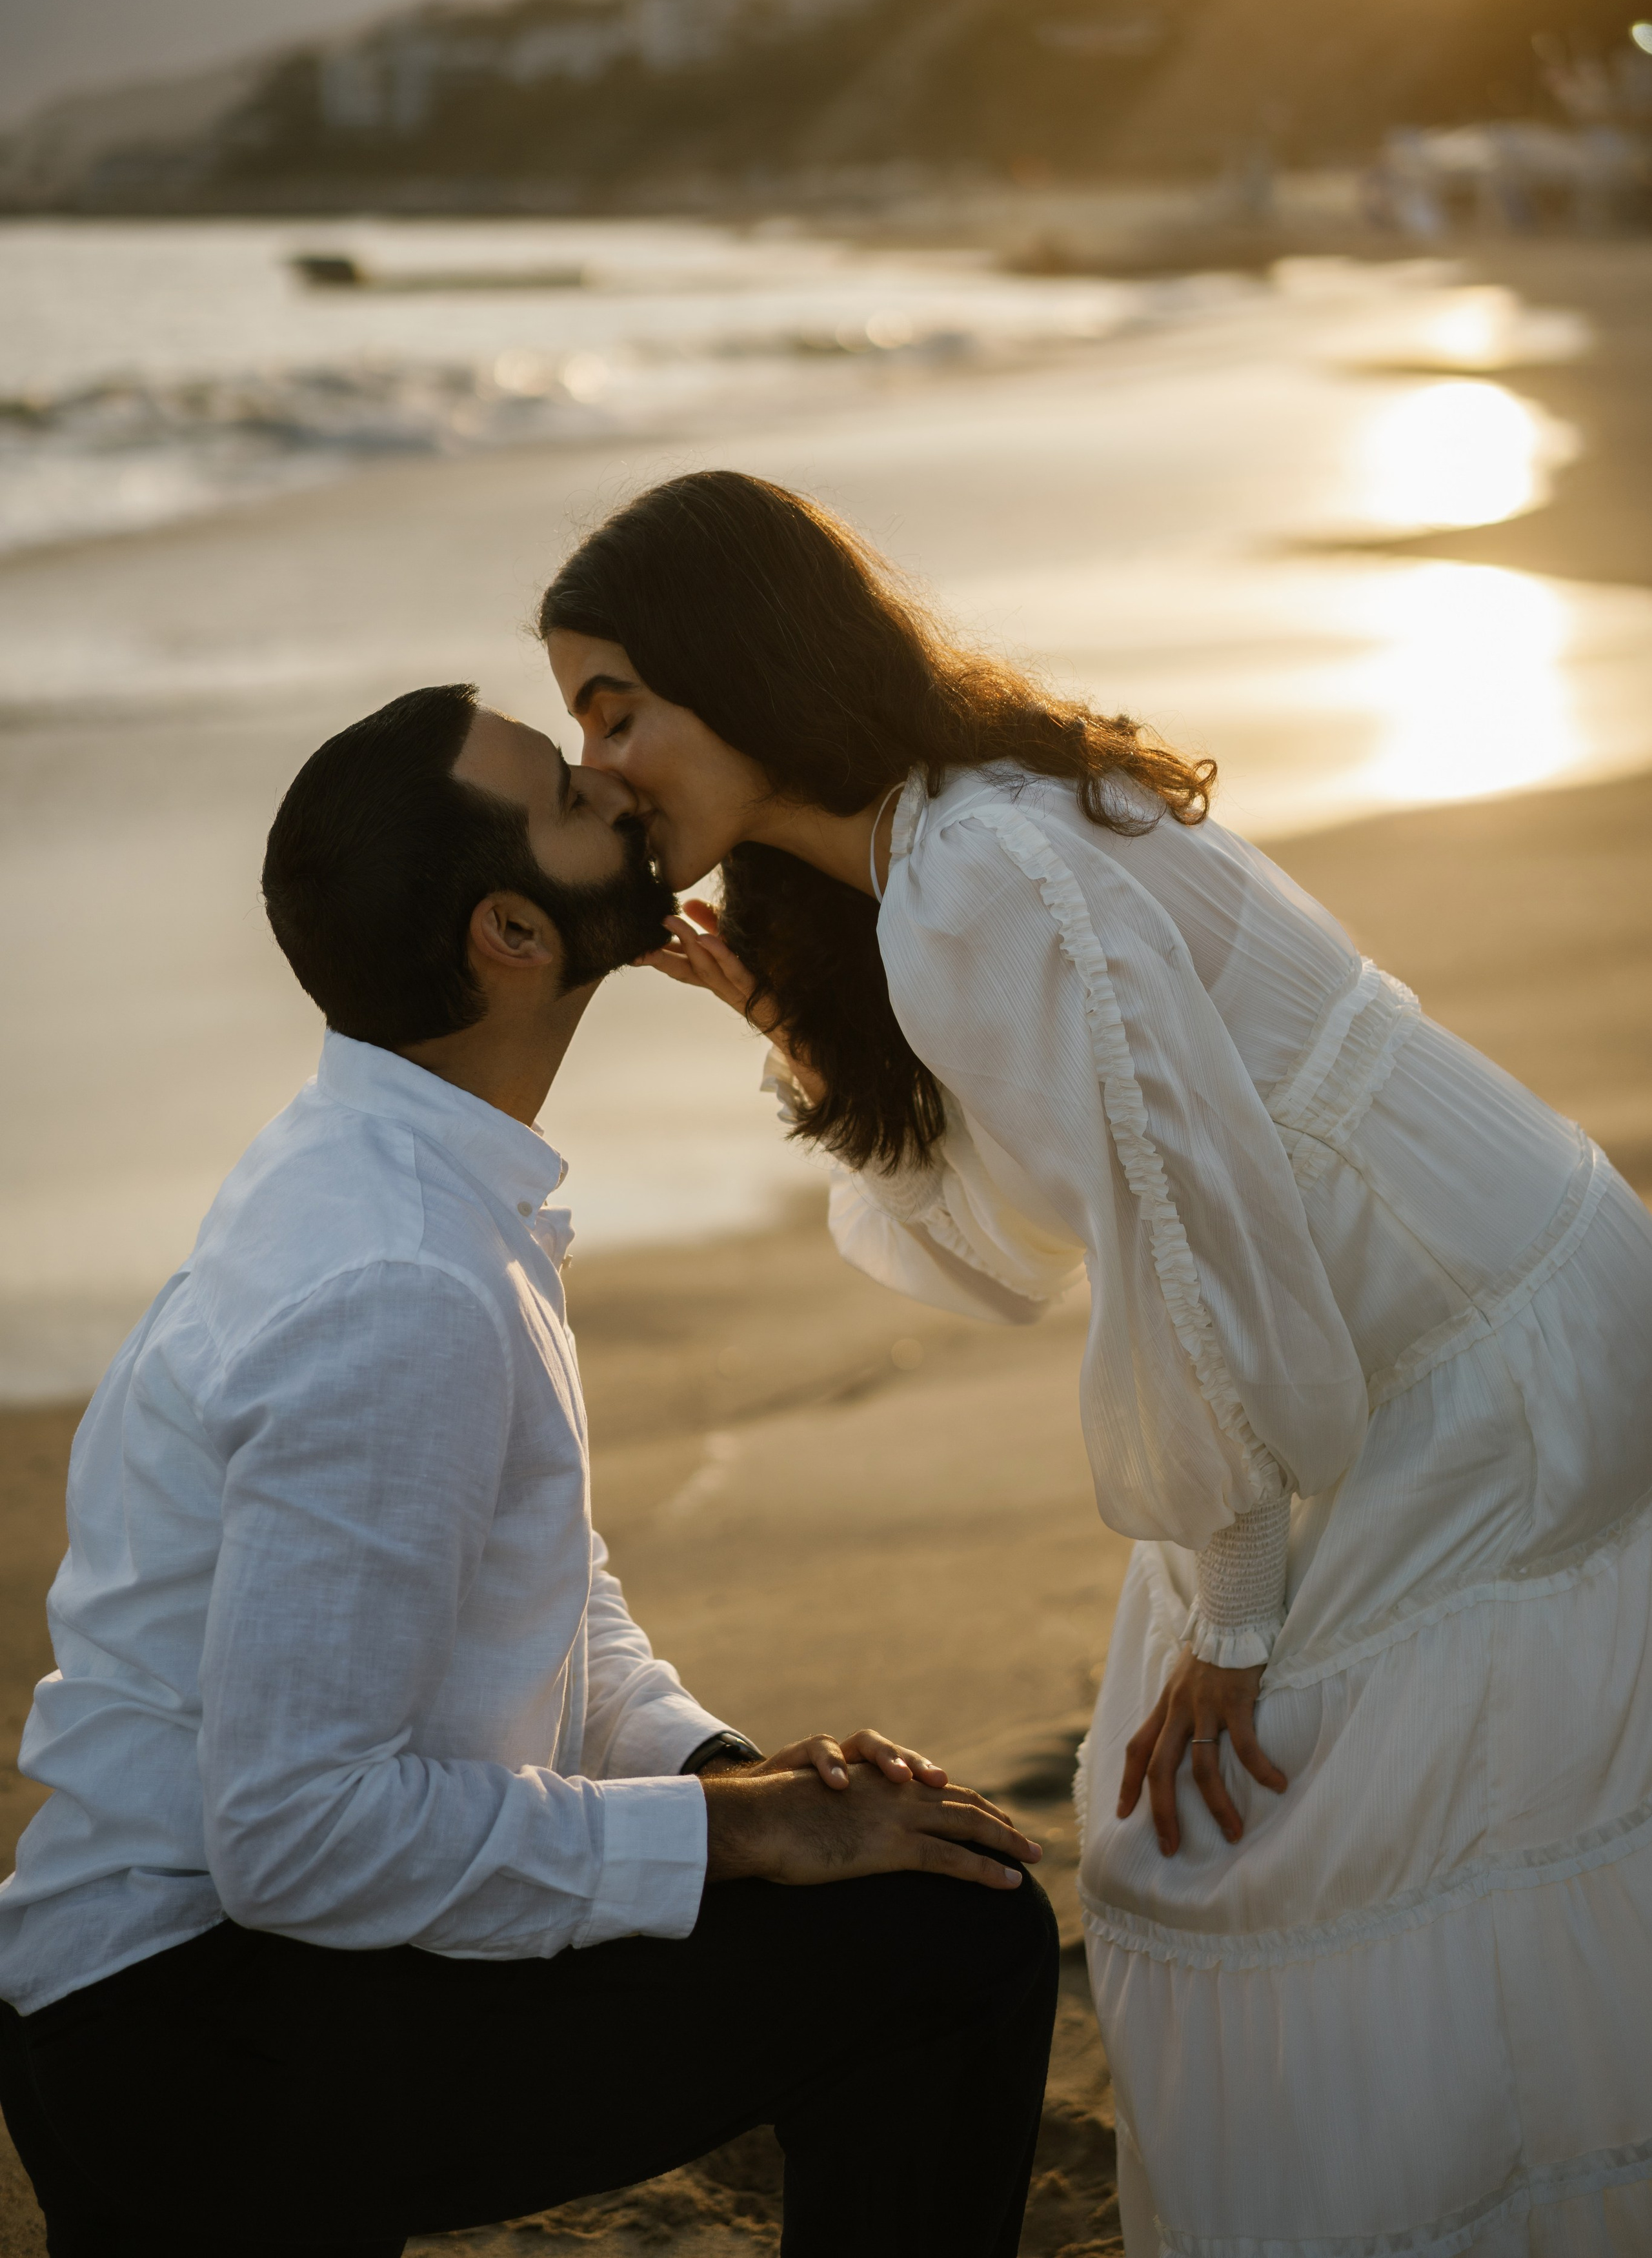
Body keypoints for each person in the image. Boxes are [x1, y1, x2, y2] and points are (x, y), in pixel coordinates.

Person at [542, 469, 1652, 2257]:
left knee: (1312, 1834)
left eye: (614, 707)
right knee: (1349, 1836)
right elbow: (1019, 1225)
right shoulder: (926, 862)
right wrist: (777, 1016)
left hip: (1480, 1349)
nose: (592, 765)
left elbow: (1179, 1216)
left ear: (736, 666)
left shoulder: (981, 866)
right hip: (1402, 1340)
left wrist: (1232, 1600)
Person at [0, 684, 1059, 2258]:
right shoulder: (400, 1283)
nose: (616, 785)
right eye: (570, 793)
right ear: (511, 931)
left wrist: (734, 1777)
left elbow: (544, 1588)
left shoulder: (402, 1167)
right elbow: (298, 1836)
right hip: (190, 2038)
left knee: (884, 1880)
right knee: (951, 1941)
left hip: (230, 1980)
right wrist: (743, 1842)